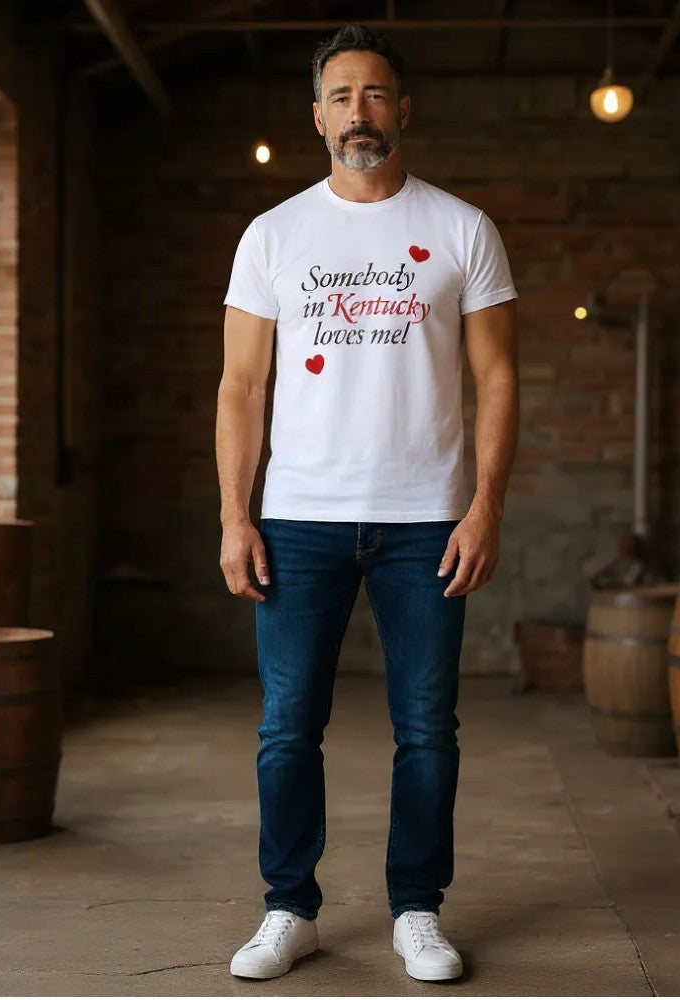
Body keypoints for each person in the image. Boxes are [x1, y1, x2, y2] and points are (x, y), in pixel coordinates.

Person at [216, 23, 518, 983]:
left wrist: (485, 507)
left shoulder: (463, 229)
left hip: (427, 520)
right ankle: (288, 908)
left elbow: (498, 379)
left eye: (376, 94)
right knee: (286, 727)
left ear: (403, 110)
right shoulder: (274, 235)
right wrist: (234, 515)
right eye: (341, 96)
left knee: (426, 728)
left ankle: (417, 910)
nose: (359, 112)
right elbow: (240, 387)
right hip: (298, 518)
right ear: (317, 117)